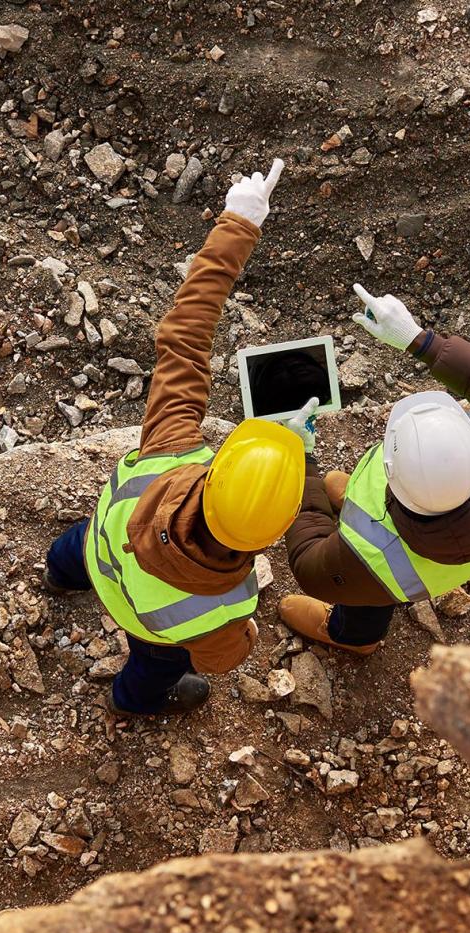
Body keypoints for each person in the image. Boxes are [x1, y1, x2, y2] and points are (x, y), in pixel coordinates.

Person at [44, 159, 318, 717]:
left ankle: (59, 575)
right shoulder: (228, 603)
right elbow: (222, 658)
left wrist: (239, 223)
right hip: (147, 626)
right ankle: (134, 703)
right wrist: (245, 640)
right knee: (155, 669)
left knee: (73, 550)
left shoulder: (171, 448)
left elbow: (185, 332)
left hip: (102, 549)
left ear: (218, 468)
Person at [280, 284, 470, 654]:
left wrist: (304, 462)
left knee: (368, 598)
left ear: (390, 480)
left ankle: (355, 638)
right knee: (367, 563)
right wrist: (418, 340)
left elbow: (308, 560)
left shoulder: (373, 557)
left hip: (384, 572)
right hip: (467, 538)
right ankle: (352, 509)